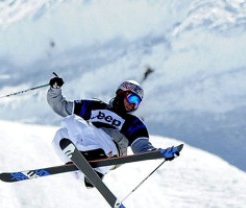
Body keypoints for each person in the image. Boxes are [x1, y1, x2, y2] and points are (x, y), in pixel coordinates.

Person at [47, 75, 179, 187]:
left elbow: (142, 147)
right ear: (121, 93)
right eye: (132, 99)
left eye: (137, 103)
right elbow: (61, 107)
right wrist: (55, 89)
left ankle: (96, 163)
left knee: (80, 125)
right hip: (88, 143)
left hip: (112, 152)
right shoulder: (95, 106)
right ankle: (84, 171)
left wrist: (159, 153)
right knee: (61, 134)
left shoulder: (133, 122)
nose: (133, 105)